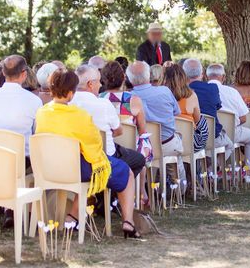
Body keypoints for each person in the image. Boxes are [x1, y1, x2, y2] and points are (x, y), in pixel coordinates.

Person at [35, 70, 141, 240]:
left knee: (89, 169)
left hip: (49, 167)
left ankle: (73, 216)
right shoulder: (80, 115)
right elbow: (95, 144)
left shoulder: (42, 112)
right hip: (77, 169)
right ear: (70, 92)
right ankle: (128, 221)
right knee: (124, 171)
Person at [100, 60, 149, 207]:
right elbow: (142, 130)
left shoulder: (98, 100)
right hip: (129, 151)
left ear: (103, 79)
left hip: (105, 150)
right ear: (123, 78)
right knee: (143, 153)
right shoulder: (133, 100)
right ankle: (140, 193)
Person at [127, 61, 185, 180]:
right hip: (167, 143)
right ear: (148, 75)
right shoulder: (164, 91)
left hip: (143, 148)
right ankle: (180, 186)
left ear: (130, 79)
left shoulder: (128, 98)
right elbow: (177, 112)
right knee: (177, 143)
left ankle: (150, 186)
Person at [206, 63, 250, 182]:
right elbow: (243, 118)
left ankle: (214, 170)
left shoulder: (198, 92)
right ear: (223, 77)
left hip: (207, 132)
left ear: (206, 77)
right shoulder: (231, 92)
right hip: (231, 132)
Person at [0, 55, 43, 156]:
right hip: (22, 162)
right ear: (24, 74)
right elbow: (36, 134)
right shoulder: (34, 101)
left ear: (3, 72)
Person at [183, 58, 233, 160]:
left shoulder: (180, 92)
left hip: (188, 137)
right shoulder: (212, 88)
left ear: (184, 74)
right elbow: (218, 106)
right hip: (211, 136)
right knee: (230, 145)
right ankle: (214, 170)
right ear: (202, 73)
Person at [162, 64, 209, 153]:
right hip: (190, 143)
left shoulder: (161, 97)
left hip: (166, 141)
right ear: (184, 78)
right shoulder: (191, 95)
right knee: (202, 120)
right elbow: (197, 119)